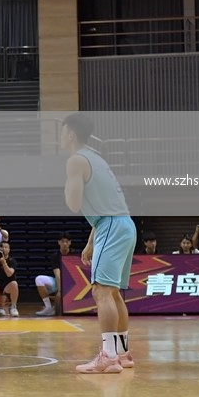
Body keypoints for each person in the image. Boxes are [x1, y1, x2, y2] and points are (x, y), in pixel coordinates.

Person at [62, 112, 135, 374]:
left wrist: (66, 187)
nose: (60, 138)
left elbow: (73, 204)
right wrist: (91, 241)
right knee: (113, 293)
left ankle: (108, 357)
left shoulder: (75, 160)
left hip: (110, 225)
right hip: (123, 224)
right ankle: (123, 354)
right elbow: (106, 203)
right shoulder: (97, 158)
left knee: (101, 292)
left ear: (71, 134)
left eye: (62, 133)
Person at [36, 233, 75, 316]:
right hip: (59, 281)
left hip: (73, 283)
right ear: (59, 242)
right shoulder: (55, 256)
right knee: (39, 279)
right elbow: (57, 274)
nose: (64, 244)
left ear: (70, 243)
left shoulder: (75, 255)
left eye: (66, 241)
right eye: (62, 241)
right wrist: (60, 291)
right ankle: (48, 308)